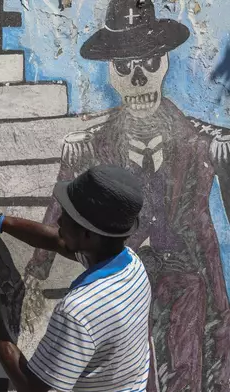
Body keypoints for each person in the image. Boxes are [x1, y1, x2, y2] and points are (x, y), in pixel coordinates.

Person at [25, 1, 230, 389]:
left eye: (149, 64)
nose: (139, 80)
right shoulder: (88, 147)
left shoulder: (205, 144)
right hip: (121, 284)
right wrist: (35, 275)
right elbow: (58, 211)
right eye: (125, 67)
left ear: (165, 64)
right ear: (112, 75)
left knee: (186, 376)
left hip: (191, 283)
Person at [0, 164, 151, 392]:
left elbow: (34, 388)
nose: (58, 220)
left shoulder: (79, 312)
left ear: (88, 235)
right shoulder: (131, 265)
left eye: (66, 217)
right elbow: (58, 242)